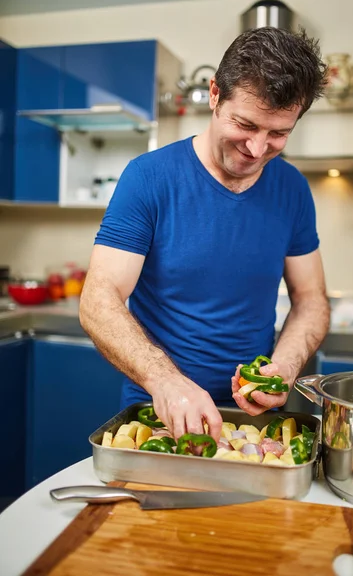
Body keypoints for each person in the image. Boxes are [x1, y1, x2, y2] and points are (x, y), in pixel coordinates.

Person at [79, 26, 330, 443]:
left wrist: (284, 368)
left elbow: (311, 300)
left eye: (278, 134)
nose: (256, 148)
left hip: (253, 420)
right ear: (215, 94)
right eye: (245, 124)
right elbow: (98, 297)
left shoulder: (292, 188)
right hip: (157, 411)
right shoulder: (149, 177)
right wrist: (165, 382)